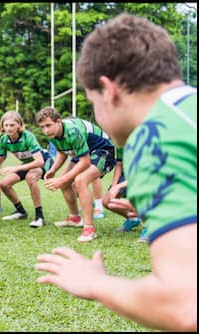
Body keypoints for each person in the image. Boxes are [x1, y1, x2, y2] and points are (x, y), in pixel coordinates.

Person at [35, 14, 196, 331]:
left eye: (91, 100)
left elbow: (185, 304)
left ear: (108, 90)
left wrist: (96, 283)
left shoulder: (155, 136)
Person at [36, 107, 115, 242]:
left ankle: (89, 229)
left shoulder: (72, 131)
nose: (46, 130)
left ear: (59, 121)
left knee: (80, 180)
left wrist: (61, 179)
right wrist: (54, 170)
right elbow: (62, 152)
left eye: (48, 125)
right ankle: (75, 218)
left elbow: (84, 162)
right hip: (83, 151)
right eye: (42, 127)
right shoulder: (53, 134)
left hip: (103, 150)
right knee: (65, 182)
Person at [0, 111, 54, 227]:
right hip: (27, 163)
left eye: (12, 125)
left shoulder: (28, 136)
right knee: (4, 184)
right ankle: (21, 211)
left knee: (30, 177)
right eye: (6, 125)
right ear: (2, 126)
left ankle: (39, 217)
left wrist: (16, 167)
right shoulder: (4, 140)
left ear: (19, 125)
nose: (9, 128)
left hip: (44, 160)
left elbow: (39, 161)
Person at [102, 146, 145, 241]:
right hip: (128, 175)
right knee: (107, 201)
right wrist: (114, 186)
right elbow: (119, 165)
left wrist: (119, 186)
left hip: (145, 175)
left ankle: (149, 227)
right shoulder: (120, 143)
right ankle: (133, 219)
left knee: (141, 200)